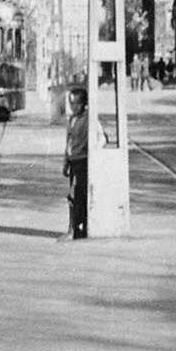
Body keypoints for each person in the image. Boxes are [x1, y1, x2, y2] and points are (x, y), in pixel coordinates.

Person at [63, 86, 105, 239]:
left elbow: (102, 138)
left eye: (76, 103)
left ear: (84, 103)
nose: (73, 107)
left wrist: (92, 153)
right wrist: (65, 163)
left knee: (74, 196)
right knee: (77, 196)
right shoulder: (72, 119)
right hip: (73, 161)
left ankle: (73, 230)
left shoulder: (89, 119)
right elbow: (68, 142)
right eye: (71, 103)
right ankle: (78, 228)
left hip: (83, 161)